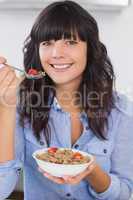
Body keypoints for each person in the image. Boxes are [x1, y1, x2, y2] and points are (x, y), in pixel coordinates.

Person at [0, 1, 133, 200]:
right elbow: (2, 188)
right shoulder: (22, 105)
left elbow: (124, 193)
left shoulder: (121, 110)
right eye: (47, 43)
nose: (56, 54)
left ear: (90, 49)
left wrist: (92, 172)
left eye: (70, 42)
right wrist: (5, 106)